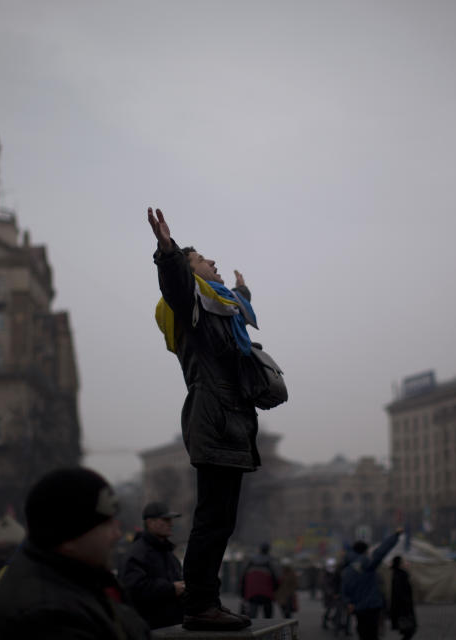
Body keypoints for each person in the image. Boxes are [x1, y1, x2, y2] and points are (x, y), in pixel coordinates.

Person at [149, 207, 273, 631]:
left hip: (231, 423)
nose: (213, 262)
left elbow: (235, 314)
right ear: (192, 271)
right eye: (204, 260)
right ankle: (201, 605)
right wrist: (168, 252)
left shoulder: (219, 309)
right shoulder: (192, 309)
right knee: (211, 520)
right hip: (214, 421)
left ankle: (206, 602)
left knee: (221, 522)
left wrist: (243, 292)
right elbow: (179, 287)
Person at [0, 467, 149, 640]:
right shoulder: (47, 617)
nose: (117, 534)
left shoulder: (78, 577)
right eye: (106, 524)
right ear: (68, 537)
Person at [120, 501, 185, 630]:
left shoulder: (168, 553)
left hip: (170, 626)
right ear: (150, 522)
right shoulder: (137, 553)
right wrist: (171, 589)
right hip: (149, 628)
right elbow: (133, 588)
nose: (171, 524)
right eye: (165, 520)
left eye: (171, 520)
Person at [340, 529, 403, 640]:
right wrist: (396, 535)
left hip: (358, 608)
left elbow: (344, 590)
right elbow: (382, 550)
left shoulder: (347, 570)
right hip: (372, 606)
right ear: (365, 551)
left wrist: (348, 603)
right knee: (372, 634)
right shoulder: (368, 564)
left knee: (362, 633)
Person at [241, 543, 279, 619]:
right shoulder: (271, 561)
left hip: (252, 591)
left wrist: (243, 593)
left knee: (252, 614)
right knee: (268, 614)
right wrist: (275, 589)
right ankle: (268, 626)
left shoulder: (251, 561)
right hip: (267, 592)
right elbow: (276, 578)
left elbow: (243, 578)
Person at [390, 556, 417, 640]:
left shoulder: (400, 575)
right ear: (399, 564)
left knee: (408, 632)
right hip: (403, 610)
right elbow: (399, 595)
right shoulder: (400, 576)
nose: (407, 564)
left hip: (403, 609)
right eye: (404, 562)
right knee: (409, 631)